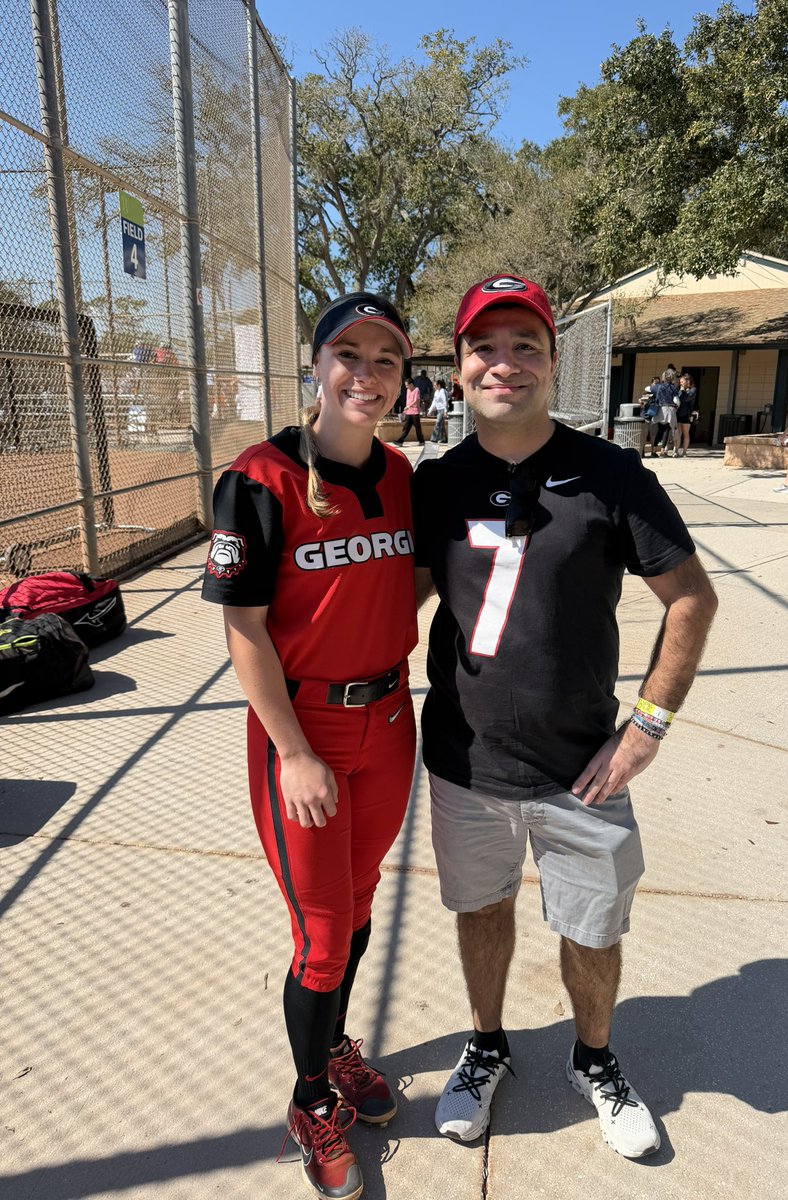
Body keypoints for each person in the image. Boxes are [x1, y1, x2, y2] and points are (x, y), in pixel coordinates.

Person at [412, 274, 718, 1161]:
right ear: (460, 366)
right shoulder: (439, 485)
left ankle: (594, 1057)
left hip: (583, 764)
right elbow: (397, 607)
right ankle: (487, 1044)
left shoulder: (612, 474)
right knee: (481, 908)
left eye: (524, 346)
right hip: (465, 764)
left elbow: (691, 601)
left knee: (593, 928)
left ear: (552, 361)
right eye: (484, 348)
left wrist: (647, 726)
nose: (503, 363)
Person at [201, 292, 418, 1200]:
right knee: (321, 937)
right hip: (306, 731)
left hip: (393, 721)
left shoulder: (405, 473)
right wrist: (293, 749)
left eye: (386, 360)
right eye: (349, 354)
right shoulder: (260, 477)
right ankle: (309, 1099)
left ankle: (332, 1047)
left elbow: (404, 582)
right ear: (316, 366)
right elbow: (243, 627)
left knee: (361, 904)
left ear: (406, 381)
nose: (366, 375)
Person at [650, 367, 679, 456]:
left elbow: (655, 395)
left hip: (661, 409)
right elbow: (676, 400)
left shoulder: (659, 387)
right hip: (670, 410)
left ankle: (653, 450)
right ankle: (663, 451)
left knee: (659, 430)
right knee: (667, 430)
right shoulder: (673, 388)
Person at [394, 375, 424, 445]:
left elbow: (416, 400)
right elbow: (408, 401)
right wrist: (405, 410)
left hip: (415, 412)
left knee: (417, 428)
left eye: (407, 385)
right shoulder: (408, 390)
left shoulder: (416, 390)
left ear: (411, 384)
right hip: (408, 412)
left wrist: (408, 406)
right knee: (406, 428)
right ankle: (400, 441)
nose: (406, 387)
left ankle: (421, 441)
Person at [673, 372, 698, 457]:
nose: (681, 383)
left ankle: (684, 452)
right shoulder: (679, 389)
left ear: (688, 381)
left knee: (685, 433)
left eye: (682, 381)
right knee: (678, 433)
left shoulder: (693, 389)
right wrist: (681, 390)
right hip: (678, 413)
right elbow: (677, 398)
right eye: (680, 382)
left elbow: (686, 399)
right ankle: (675, 450)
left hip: (687, 413)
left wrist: (683, 391)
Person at [428, 377, 449, 443]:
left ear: (438, 385)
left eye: (435, 385)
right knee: (441, 424)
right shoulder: (436, 392)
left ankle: (434, 438)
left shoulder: (443, 391)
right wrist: (430, 411)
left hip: (442, 410)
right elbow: (434, 402)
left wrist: (445, 411)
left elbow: (445, 401)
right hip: (438, 410)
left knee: (438, 423)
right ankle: (443, 439)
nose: (434, 386)